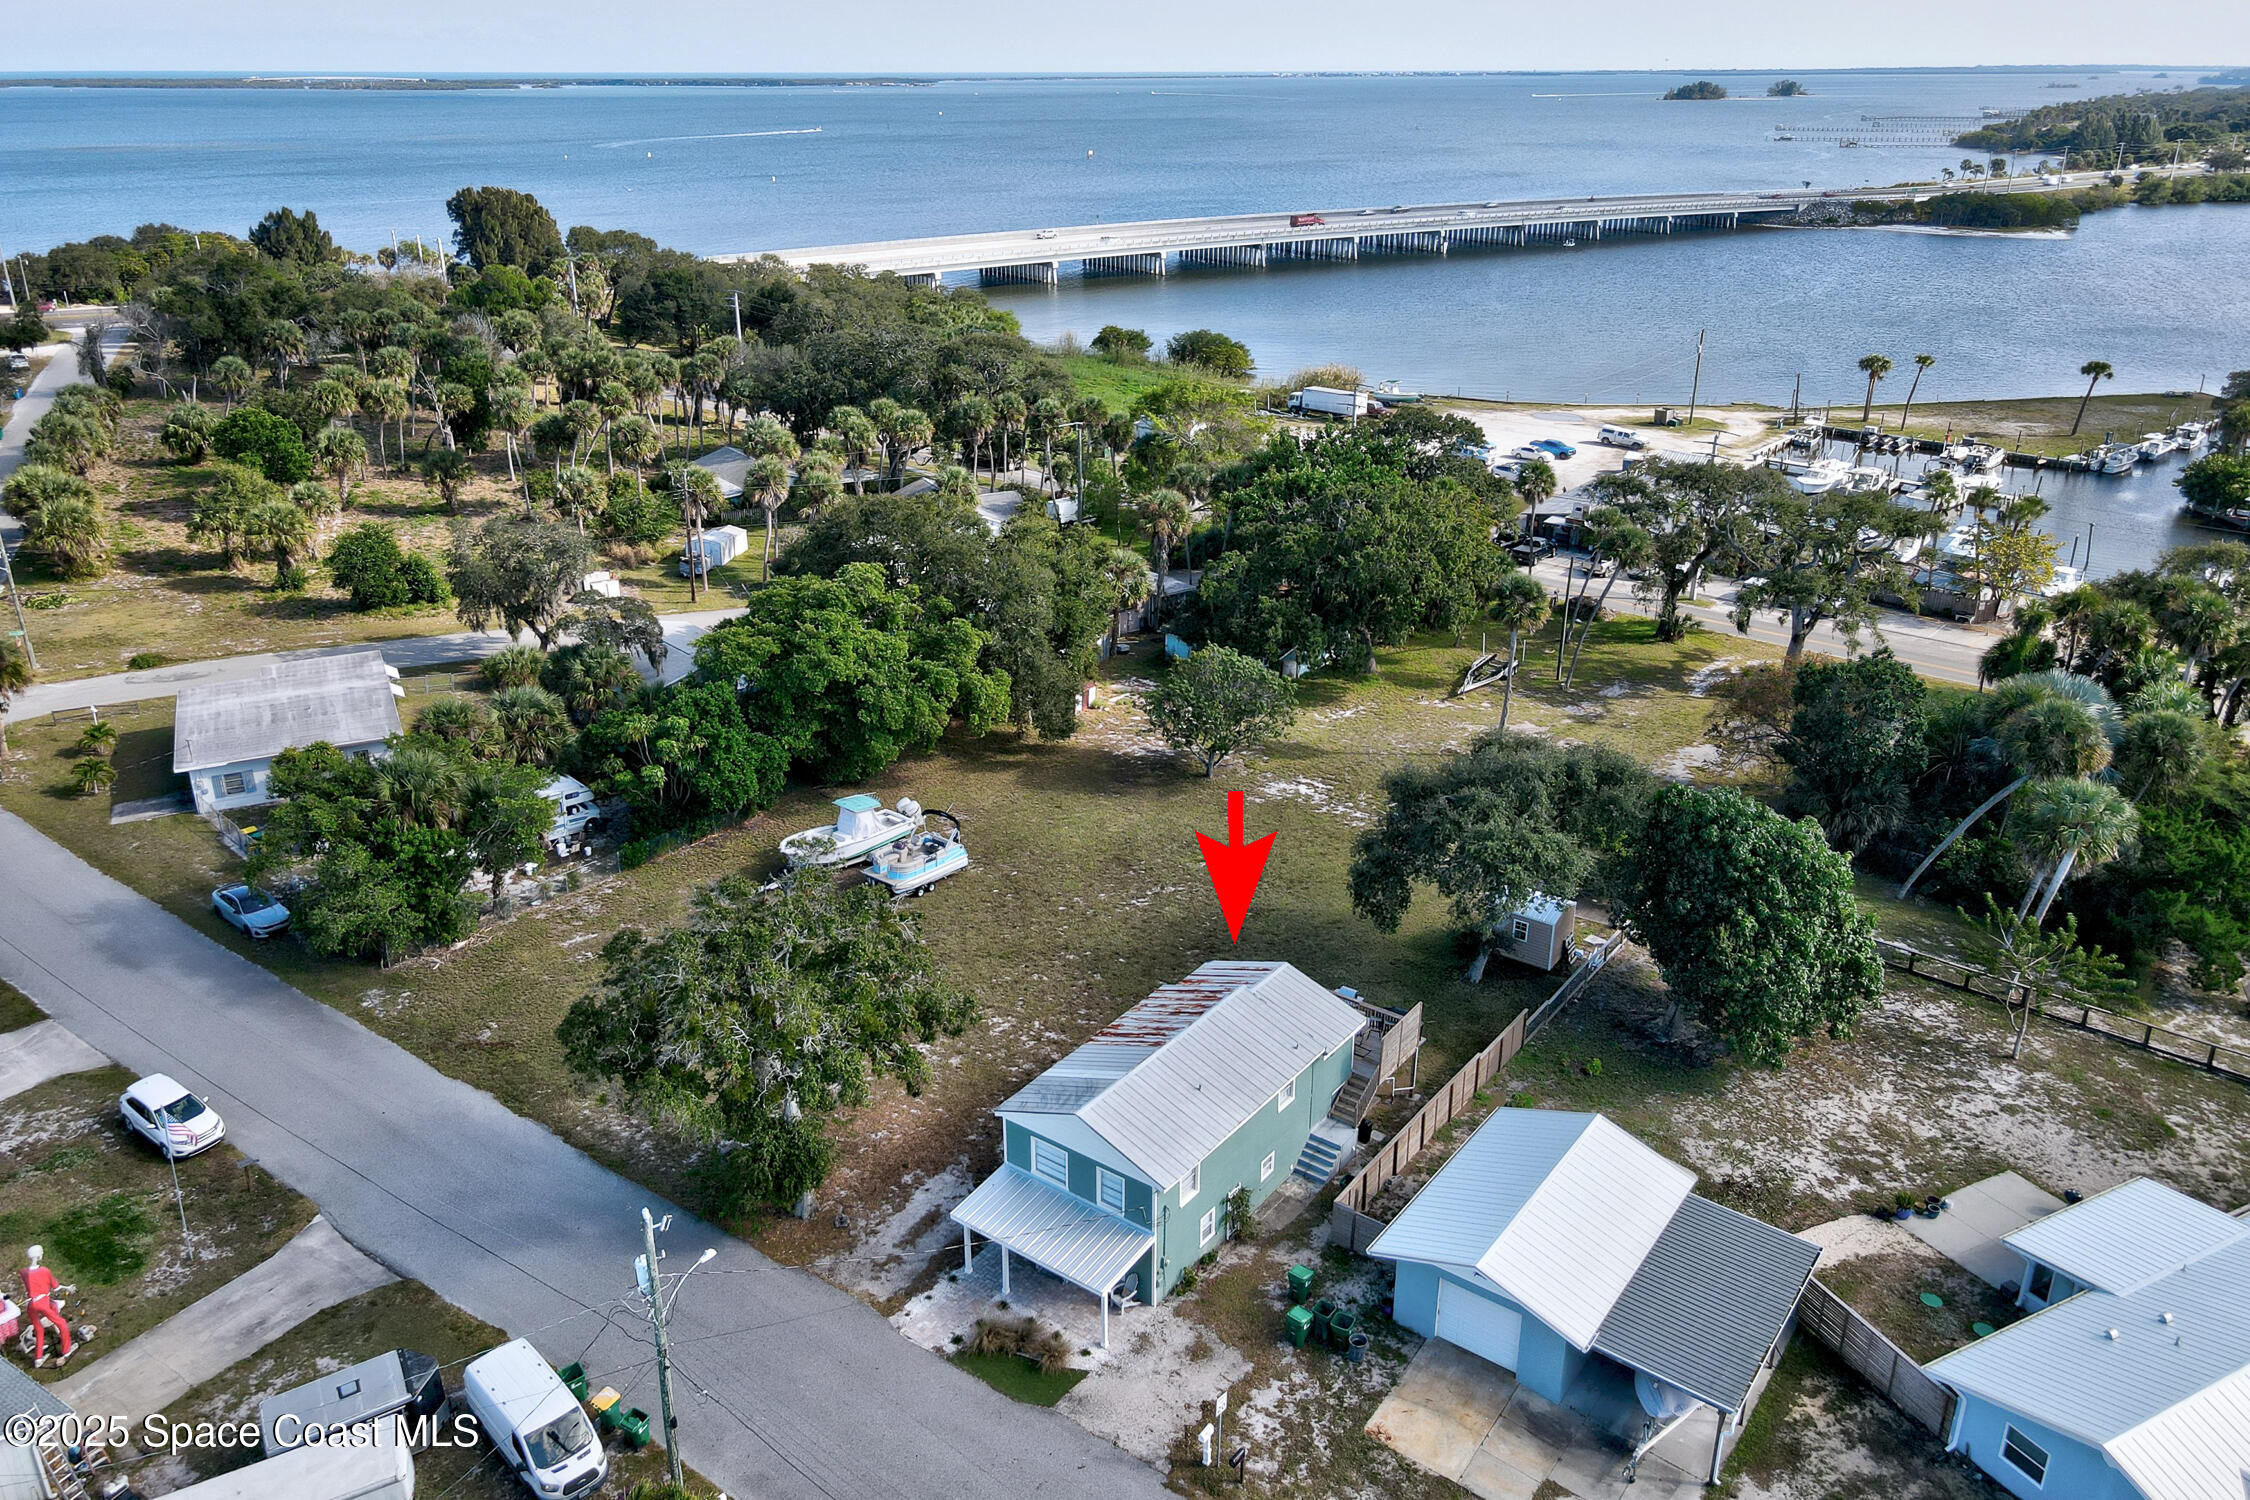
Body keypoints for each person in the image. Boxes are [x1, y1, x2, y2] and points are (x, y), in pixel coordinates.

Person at [19, 1244, 90, 1368]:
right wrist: (67, 1288)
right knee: (61, 1323)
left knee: (39, 1329)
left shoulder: (23, 1272)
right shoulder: (44, 1270)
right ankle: (66, 1349)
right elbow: (56, 1287)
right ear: (39, 1255)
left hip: (31, 1304)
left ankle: (38, 1358)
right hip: (42, 1303)